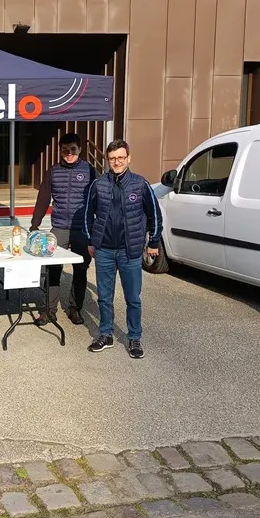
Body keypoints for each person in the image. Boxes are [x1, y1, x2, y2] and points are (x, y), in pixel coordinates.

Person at [83, 139, 162, 359]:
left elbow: (155, 215)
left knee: (133, 298)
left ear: (128, 158)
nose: (116, 162)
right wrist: (91, 241)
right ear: (107, 160)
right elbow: (88, 215)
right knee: (104, 297)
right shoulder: (98, 185)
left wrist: (154, 242)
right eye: (112, 158)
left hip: (130, 251)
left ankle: (134, 337)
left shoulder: (140, 184)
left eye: (120, 157)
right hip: (104, 251)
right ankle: (105, 334)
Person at [30, 132, 96, 326]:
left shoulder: (90, 171)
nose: (69, 154)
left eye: (73, 150)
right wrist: (35, 224)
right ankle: (48, 310)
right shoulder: (54, 171)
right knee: (53, 268)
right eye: (65, 150)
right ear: (60, 151)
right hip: (59, 227)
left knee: (80, 268)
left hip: (82, 228)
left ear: (80, 149)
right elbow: (43, 198)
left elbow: (98, 199)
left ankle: (75, 308)